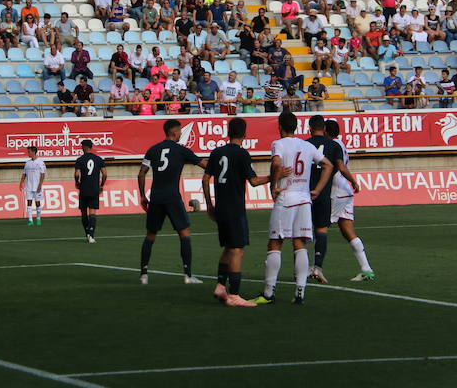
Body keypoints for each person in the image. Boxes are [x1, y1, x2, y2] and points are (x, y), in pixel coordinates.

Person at [252, 111, 333, 306]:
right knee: (300, 244)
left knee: (275, 244)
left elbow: (277, 162)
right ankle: (300, 292)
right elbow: (327, 165)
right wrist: (318, 189)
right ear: (296, 127)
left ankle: (269, 293)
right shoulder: (307, 145)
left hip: (286, 197)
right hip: (304, 199)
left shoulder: (278, 144)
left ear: (280, 127)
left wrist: (274, 184)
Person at [202, 117, 270, 307]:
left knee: (228, 248)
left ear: (228, 132)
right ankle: (234, 295)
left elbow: (205, 178)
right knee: (237, 250)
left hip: (220, 207)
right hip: (235, 208)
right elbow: (254, 181)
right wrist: (275, 176)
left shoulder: (217, 152)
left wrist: (209, 204)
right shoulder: (242, 154)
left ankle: (220, 286)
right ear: (245, 134)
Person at [137, 119, 207, 285]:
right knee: (184, 233)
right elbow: (204, 164)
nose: (181, 134)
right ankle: (188, 275)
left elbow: (141, 174)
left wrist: (142, 196)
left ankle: (143, 275)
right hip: (172, 197)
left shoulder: (152, 150)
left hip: (155, 197)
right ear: (174, 132)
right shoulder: (181, 150)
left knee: (150, 235)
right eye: (180, 131)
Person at [305, 115, 358, 285]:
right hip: (323, 195)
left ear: (310, 127)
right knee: (322, 230)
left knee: (302, 232)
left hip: (304, 194)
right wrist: (354, 181)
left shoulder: (304, 144)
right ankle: (318, 268)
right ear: (324, 128)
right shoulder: (334, 145)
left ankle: (302, 270)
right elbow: (341, 167)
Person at [325, 119, 376, 282]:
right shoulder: (341, 144)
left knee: (318, 227)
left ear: (326, 131)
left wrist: (353, 180)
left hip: (336, 192)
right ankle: (366, 269)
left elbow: (339, 167)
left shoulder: (332, 146)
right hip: (345, 192)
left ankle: (314, 267)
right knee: (347, 230)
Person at [74, 139, 107, 243]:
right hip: (94, 188)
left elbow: (77, 174)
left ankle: (87, 233)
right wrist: (101, 185)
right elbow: (105, 174)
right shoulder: (98, 159)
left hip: (84, 188)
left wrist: (77, 182)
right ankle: (91, 235)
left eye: (82, 146)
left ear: (84, 147)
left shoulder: (80, 159)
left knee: (83, 212)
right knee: (92, 212)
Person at [19, 146, 46, 226]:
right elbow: (24, 174)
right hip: (29, 186)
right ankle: (30, 220)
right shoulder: (27, 163)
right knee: (29, 202)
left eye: (29, 152)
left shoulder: (40, 162)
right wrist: (21, 182)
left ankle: (38, 218)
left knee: (37, 203)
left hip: (37, 186)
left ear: (33, 152)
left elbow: (42, 174)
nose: (28, 153)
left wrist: (40, 185)